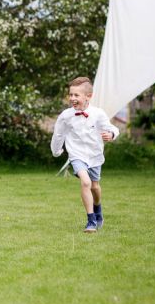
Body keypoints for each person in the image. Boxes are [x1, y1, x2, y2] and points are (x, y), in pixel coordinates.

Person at [51, 76, 119, 233]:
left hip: (95, 156)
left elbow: (113, 128)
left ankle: (98, 210)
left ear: (88, 96)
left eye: (76, 95)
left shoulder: (98, 114)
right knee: (86, 182)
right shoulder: (66, 116)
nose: (72, 98)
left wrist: (111, 134)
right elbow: (58, 135)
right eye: (71, 95)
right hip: (77, 155)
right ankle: (91, 221)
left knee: (95, 186)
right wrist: (56, 151)